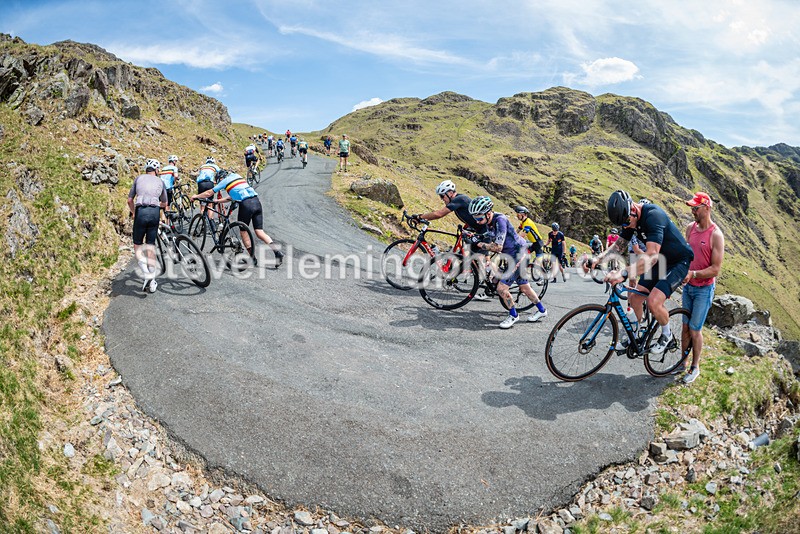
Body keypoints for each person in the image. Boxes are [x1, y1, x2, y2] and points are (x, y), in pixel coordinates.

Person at [588, 190, 694, 355]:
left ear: (633, 210)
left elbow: (651, 257)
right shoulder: (630, 220)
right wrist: (598, 259)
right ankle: (637, 334)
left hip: (677, 262)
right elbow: (619, 245)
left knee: (653, 302)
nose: (625, 227)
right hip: (660, 261)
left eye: (626, 223)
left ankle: (667, 335)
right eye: (622, 225)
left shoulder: (653, 216)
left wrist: (623, 273)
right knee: (635, 298)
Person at [468, 196, 547, 329]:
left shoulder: (501, 220)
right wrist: (476, 236)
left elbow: (498, 246)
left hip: (518, 255)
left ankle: (513, 315)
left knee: (501, 288)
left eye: (480, 218)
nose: (478, 221)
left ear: (488, 213)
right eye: (475, 219)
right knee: (524, 287)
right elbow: (491, 234)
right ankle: (542, 311)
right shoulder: (490, 220)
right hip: (514, 254)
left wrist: (479, 243)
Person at [192, 169, 284, 265]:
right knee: (259, 232)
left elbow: (209, 193)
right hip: (256, 202)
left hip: (246, 205)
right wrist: (217, 201)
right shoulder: (238, 177)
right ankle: (277, 252)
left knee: (244, 232)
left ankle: (252, 258)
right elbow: (232, 197)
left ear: (221, 178)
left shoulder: (225, 180)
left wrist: (196, 196)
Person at [679, 192, 724, 384]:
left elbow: (715, 269)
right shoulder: (690, 229)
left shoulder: (716, 235)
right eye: (691, 208)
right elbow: (686, 254)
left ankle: (695, 367)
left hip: (704, 289)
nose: (692, 211)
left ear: (707, 208)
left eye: (696, 208)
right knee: (685, 327)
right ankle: (681, 364)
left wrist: (694, 274)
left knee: (695, 329)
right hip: (688, 287)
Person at [127, 159, 167, 293]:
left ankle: (145, 271)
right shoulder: (160, 181)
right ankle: (153, 280)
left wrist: (133, 212)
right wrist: (156, 204)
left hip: (141, 212)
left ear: (146, 169)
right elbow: (164, 203)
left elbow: (129, 200)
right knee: (150, 245)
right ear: (156, 170)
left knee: (137, 244)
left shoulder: (138, 179)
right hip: (154, 213)